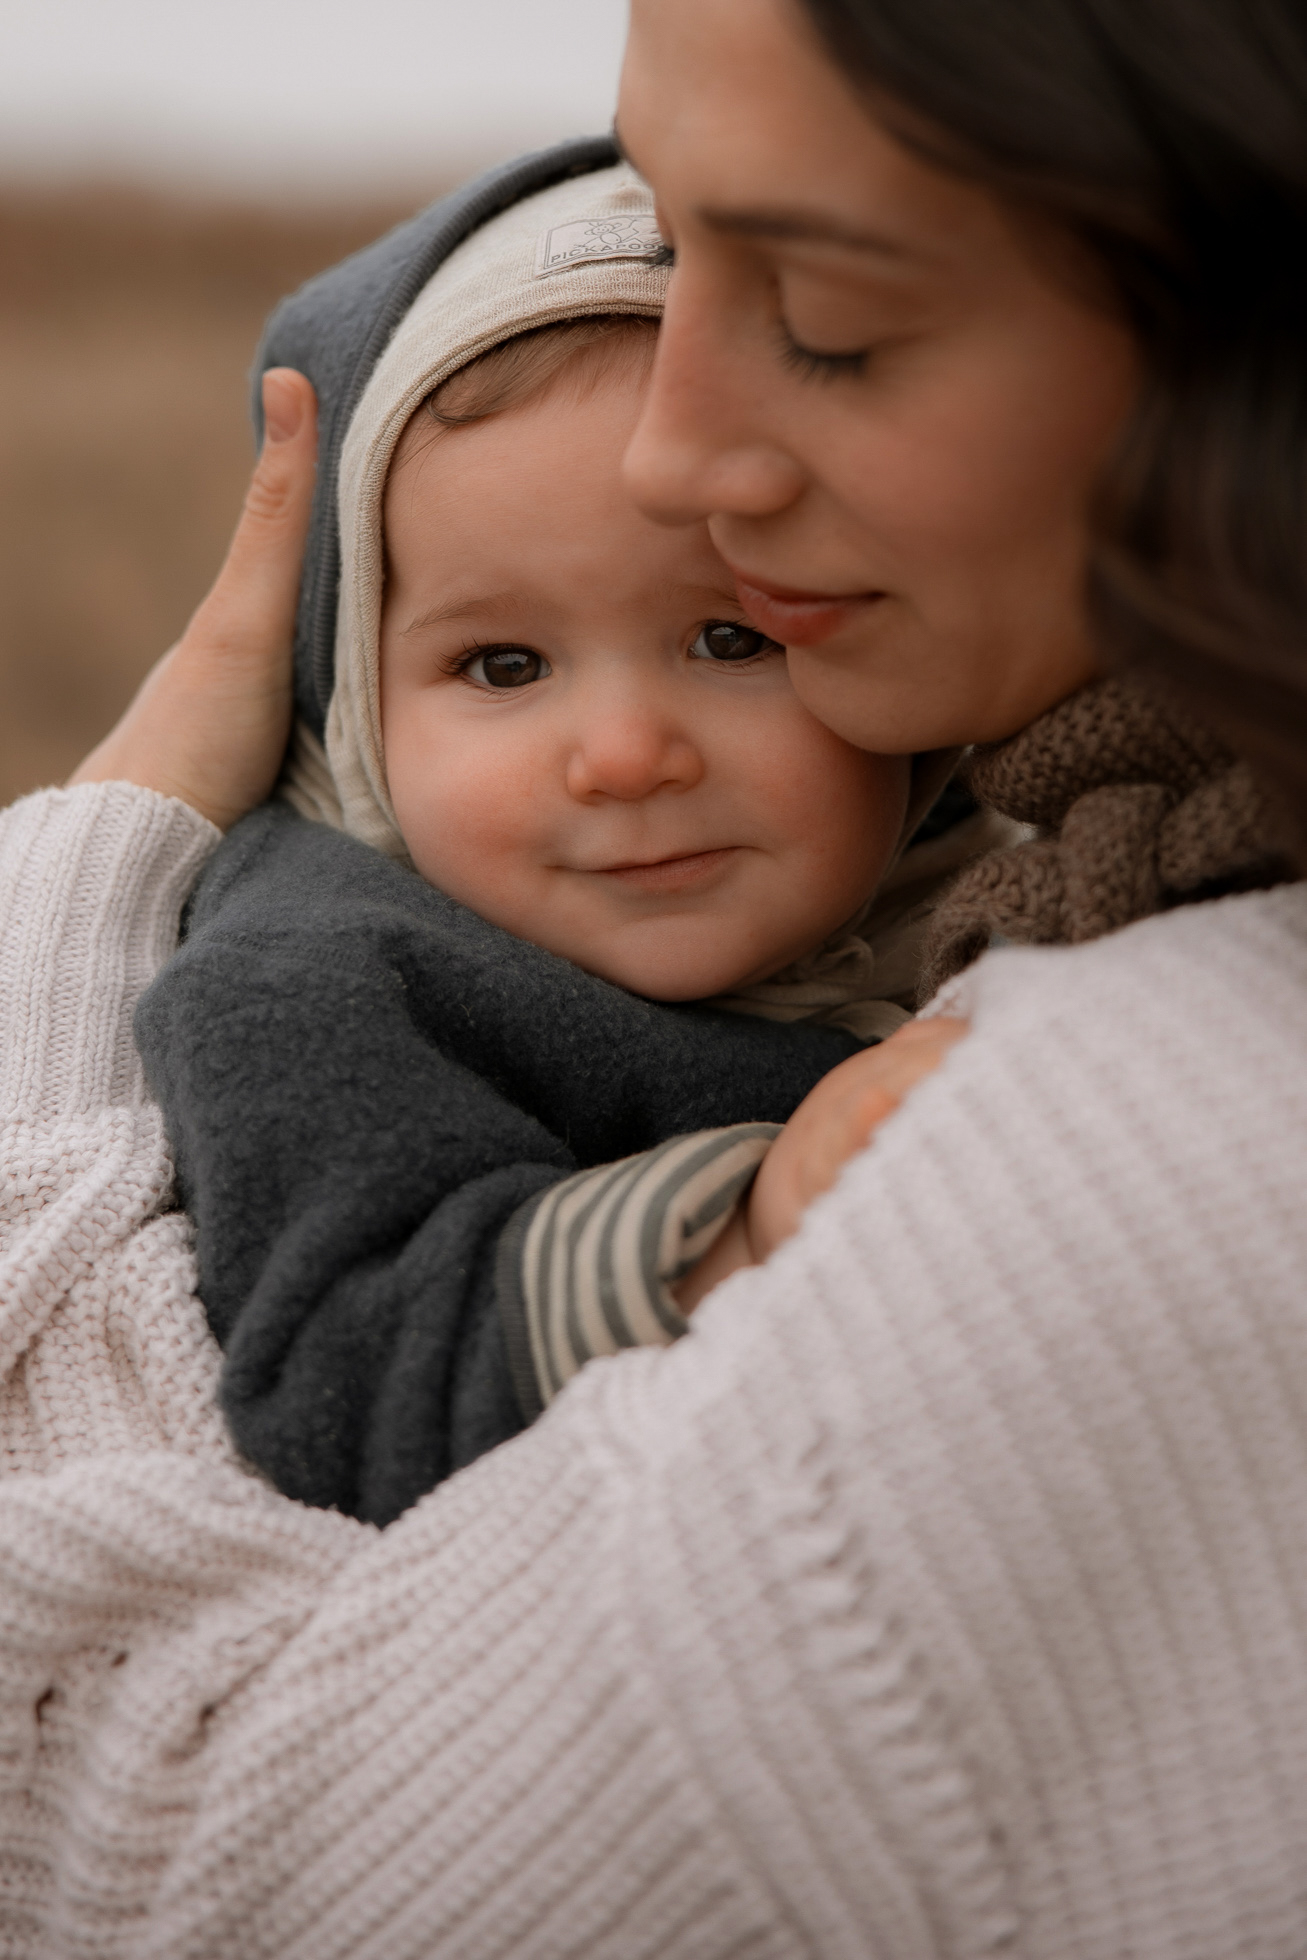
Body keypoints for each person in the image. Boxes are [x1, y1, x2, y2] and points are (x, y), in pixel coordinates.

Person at [1, 1, 1306, 1954]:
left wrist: (62, 908)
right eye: (678, 242)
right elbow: (350, 1341)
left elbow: (184, 1847)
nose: (682, 456)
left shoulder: (1133, 1124)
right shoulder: (324, 975)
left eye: (838, 324)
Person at [134, 162, 976, 1524]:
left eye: (728, 638)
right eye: (506, 663)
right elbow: (340, 1371)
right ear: (353, 700)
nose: (627, 754)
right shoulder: (319, 984)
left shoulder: (1023, 875)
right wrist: (742, 1235)